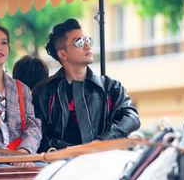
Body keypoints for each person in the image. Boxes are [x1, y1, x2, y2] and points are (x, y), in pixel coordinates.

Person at [32, 18, 140, 152]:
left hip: (104, 159)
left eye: (88, 40)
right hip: (60, 164)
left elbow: (132, 117)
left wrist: (102, 142)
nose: (87, 46)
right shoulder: (44, 91)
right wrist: (72, 150)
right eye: (79, 42)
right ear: (63, 54)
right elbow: (38, 134)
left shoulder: (110, 87)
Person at [0, 23, 42, 165]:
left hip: (21, 157)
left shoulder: (21, 89)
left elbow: (33, 126)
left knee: (47, 173)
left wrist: (25, 151)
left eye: (4, 43)